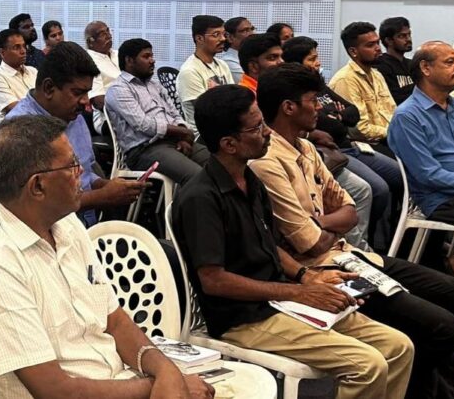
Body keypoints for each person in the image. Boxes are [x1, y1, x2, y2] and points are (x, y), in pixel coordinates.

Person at [173, 84, 414, 399]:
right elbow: (214, 280)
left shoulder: (249, 179)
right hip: (243, 318)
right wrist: (300, 292)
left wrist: (307, 276)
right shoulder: (201, 198)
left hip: (279, 299)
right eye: (257, 128)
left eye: (263, 122)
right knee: (367, 365)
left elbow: (268, 244)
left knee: (399, 347)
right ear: (229, 144)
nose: (268, 132)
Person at [0, 114, 213, 399]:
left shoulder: (67, 225)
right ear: (37, 186)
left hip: (119, 383)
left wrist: (167, 372)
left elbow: (115, 321)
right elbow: (55, 391)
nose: (81, 172)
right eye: (71, 165)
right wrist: (157, 386)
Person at [252, 63, 454, 398]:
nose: (321, 108)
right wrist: (330, 223)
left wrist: (322, 222)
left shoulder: (306, 147)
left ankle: (435, 382)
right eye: (313, 100)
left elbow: (350, 209)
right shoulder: (267, 162)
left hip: (352, 255)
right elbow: (309, 243)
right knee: (441, 326)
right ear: (289, 107)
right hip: (325, 271)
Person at [282, 36, 402, 252]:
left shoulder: (321, 85)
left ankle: (386, 240)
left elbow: (352, 113)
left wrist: (337, 116)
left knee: (399, 175)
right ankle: (362, 248)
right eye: (312, 59)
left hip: (348, 146)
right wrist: (337, 117)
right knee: (373, 189)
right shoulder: (297, 90)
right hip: (335, 150)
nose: (318, 62)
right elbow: (331, 126)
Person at [7, 42, 145, 227]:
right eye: (78, 93)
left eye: (87, 93)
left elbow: (86, 176)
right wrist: (101, 197)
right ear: (49, 88)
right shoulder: (18, 132)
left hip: (84, 227)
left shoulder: (74, 117)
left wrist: (107, 186)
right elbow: (35, 205)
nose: (85, 101)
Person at [390, 41, 454, 239]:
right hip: (444, 199)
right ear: (426, 68)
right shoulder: (407, 116)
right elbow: (429, 174)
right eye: (450, 62)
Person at [106, 38, 208, 182]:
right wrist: (182, 132)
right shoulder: (119, 89)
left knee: (222, 168)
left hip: (175, 141)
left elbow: (175, 114)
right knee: (198, 177)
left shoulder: (155, 86)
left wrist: (183, 137)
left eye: (152, 56)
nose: (152, 60)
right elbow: (143, 124)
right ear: (129, 61)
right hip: (145, 150)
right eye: (146, 56)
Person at [329, 21, 397, 144]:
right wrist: (394, 133)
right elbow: (359, 129)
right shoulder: (345, 79)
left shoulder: (377, 75)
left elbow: (393, 112)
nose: (378, 48)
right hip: (366, 144)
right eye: (370, 45)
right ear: (353, 52)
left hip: (389, 139)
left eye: (378, 42)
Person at [178, 15, 233, 130]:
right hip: (205, 132)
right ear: (199, 39)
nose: (223, 39)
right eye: (216, 35)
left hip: (225, 124)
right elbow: (206, 111)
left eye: (224, 34)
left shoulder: (222, 65)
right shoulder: (190, 71)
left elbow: (234, 97)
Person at [0, 29, 37, 122]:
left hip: (40, 122)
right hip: (15, 127)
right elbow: (18, 110)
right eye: (17, 47)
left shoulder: (33, 71)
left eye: (24, 46)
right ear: (2, 53)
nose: (23, 51)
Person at [85, 21, 118, 131]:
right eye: (102, 34)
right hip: (106, 118)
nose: (108, 35)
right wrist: (127, 110)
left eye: (108, 31)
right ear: (90, 42)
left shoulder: (118, 54)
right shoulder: (89, 61)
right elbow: (98, 101)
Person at [376, 16, 415, 105]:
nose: (408, 39)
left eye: (409, 34)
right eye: (402, 36)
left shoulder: (413, 64)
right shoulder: (381, 66)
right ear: (389, 40)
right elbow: (393, 98)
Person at [221, 16, 254, 83]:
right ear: (230, 37)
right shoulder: (228, 61)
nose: (252, 34)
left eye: (252, 29)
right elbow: (252, 84)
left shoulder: (249, 56)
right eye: (245, 30)